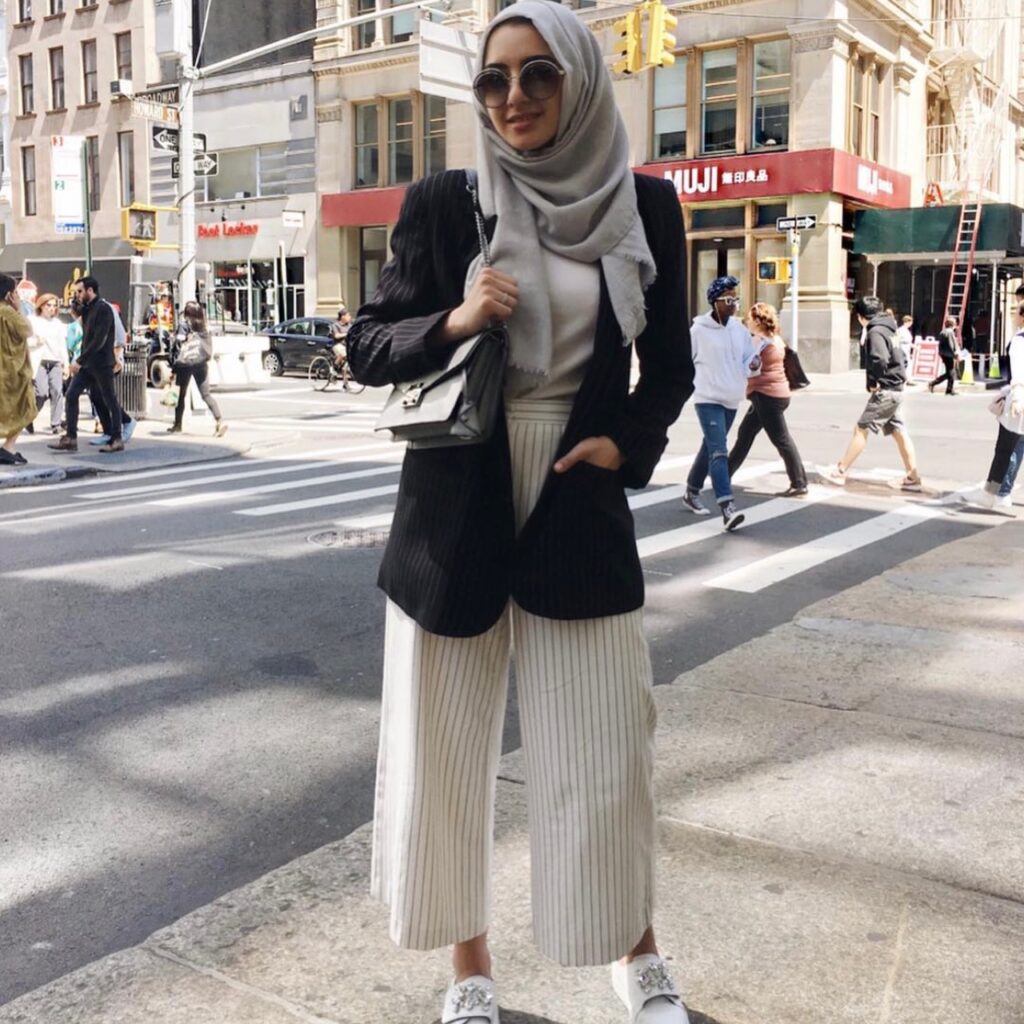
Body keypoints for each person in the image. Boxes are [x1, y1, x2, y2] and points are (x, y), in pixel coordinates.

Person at [346, 3, 693, 1022]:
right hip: (456, 497)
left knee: (603, 743)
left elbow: (666, 368)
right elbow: (367, 343)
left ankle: (637, 956)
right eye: (493, 79)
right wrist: (453, 318)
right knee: (443, 748)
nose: (513, 99)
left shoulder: (644, 206)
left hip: (576, 493)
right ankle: (469, 972)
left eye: (538, 75)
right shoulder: (447, 201)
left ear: (581, 79)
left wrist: (626, 443)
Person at [821, 296, 922, 491]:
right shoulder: (890, 328)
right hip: (897, 388)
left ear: (860, 316)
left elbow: (878, 358)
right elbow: (899, 357)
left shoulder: (875, 331)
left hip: (887, 390)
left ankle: (840, 471)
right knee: (898, 432)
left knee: (861, 429)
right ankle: (912, 476)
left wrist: (875, 380)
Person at [681, 275, 754, 530]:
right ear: (714, 302)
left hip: (732, 398)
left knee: (710, 446)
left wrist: (754, 364)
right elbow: (685, 362)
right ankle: (728, 507)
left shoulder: (739, 330)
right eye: (728, 299)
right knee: (719, 450)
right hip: (707, 398)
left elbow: (749, 359)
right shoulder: (698, 331)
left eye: (736, 298)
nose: (734, 303)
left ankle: (691, 490)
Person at [727, 302, 808, 497]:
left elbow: (750, 368)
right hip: (773, 394)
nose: (747, 321)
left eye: (749, 319)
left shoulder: (759, 341)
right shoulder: (776, 339)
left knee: (781, 439)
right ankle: (725, 474)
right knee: (745, 433)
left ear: (757, 321)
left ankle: (799, 483)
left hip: (767, 396)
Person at [49, 276, 124, 454]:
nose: (77, 295)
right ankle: (71, 437)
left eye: (80, 291)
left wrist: (79, 360)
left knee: (109, 399)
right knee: (72, 394)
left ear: (90, 291)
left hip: (102, 363)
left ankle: (117, 438)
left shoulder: (103, 309)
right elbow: (86, 338)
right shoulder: (88, 310)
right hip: (88, 364)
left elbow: (100, 339)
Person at [963, 301, 1024, 514]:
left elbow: (1019, 373)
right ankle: (995, 493)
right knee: (1010, 449)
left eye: (1017, 311)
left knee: (1005, 448)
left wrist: (1016, 397)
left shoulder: (1019, 340)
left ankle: (992, 494)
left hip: (1020, 402)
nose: (1015, 315)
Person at [167, 301, 227, 436]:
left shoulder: (184, 324)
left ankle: (177, 425)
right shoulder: (203, 326)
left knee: (181, 395)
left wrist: (173, 369)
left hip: (186, 363)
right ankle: (219, 420)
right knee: (206, 395)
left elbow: (178, 345)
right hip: (201, 363)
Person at [0, 273, 35, 466]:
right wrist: (19, 308)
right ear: (9, 295)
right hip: (12, 371)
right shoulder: (9, 313)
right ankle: (8, 447)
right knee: (25, 408)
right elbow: (28, 330)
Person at [28, 293, 68, 434]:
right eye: (48, 305)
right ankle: (29, 417)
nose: (51, 308)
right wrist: (35, 342)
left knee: (57, 391)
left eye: (54, 305)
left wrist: (66, 364)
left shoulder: (58, 324)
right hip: (40, 361)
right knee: (41, 393)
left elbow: (63, 345)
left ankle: (56, 424)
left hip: (55, 361)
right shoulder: (32, 321)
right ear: (41, 306)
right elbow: (24, 341)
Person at [929, 315, 959, 395]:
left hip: (944, 354)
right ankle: (934, 383)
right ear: (953, 324)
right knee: (951, 373)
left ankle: (949, 389)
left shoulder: (943, 331)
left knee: (950, 373)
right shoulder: (950, 332)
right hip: (949, 354)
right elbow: (951, 344)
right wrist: (956, 354)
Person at [331, 305, 351, 371]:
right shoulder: (335, 325)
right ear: (343, 317)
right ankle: (334, 368)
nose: (349, 317)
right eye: (348, 316)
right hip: (337, 344)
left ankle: (345, 380)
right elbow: (336, 336)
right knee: (343, 354)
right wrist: (346, 334)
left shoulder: (349, 325)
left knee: (347, 358)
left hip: (346, 345)